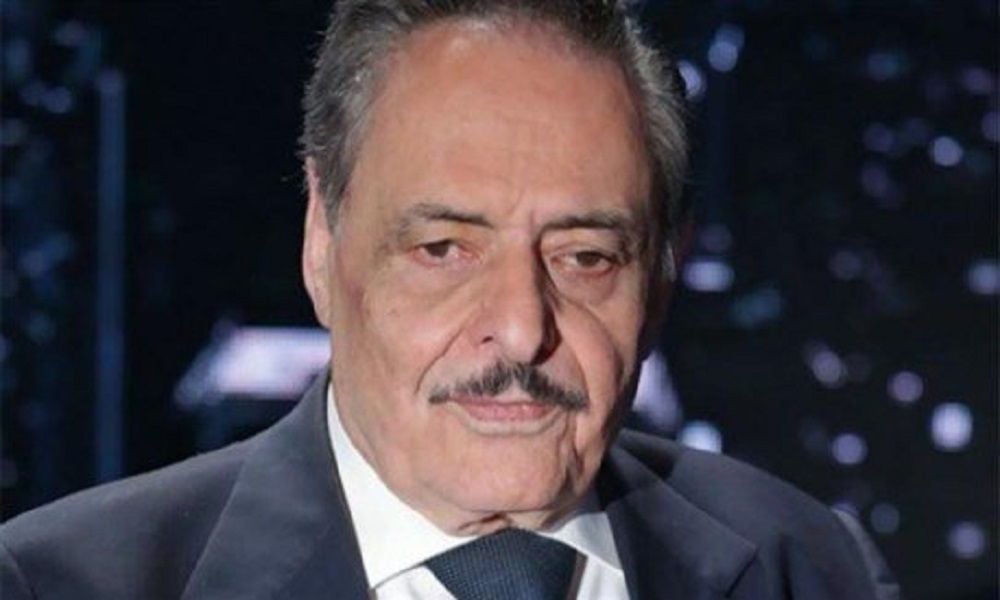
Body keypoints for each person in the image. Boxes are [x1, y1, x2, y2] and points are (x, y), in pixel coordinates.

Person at [1, 1, 900, 598]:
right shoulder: (56, 585)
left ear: (659, 275)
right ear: (323, 242)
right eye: (443, 250)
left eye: (585, 257)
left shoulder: (811, 566)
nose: (520, 327)